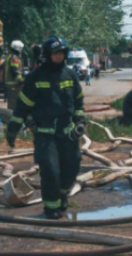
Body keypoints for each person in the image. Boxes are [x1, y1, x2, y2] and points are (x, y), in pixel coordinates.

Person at [7, 35, 85, 219]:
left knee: (71, 168)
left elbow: (78, 102)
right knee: (50, 171)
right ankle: (51, 208)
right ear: (48, 54)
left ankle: (62, 195)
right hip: (45, 135)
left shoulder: (70, 75)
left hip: (68, 134)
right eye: (55, 53)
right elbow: (23, 105)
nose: (59, 56)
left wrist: (80, 122)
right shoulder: (36, 77)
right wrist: (13, 127)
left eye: (61, 53)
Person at [4, 40, 24, 110]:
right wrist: (21, 80)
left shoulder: (9, 57)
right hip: (14, 85)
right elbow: (14, 70)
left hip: (10, 85)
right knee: (14, 107)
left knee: (11, 105)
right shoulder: (14, 58)